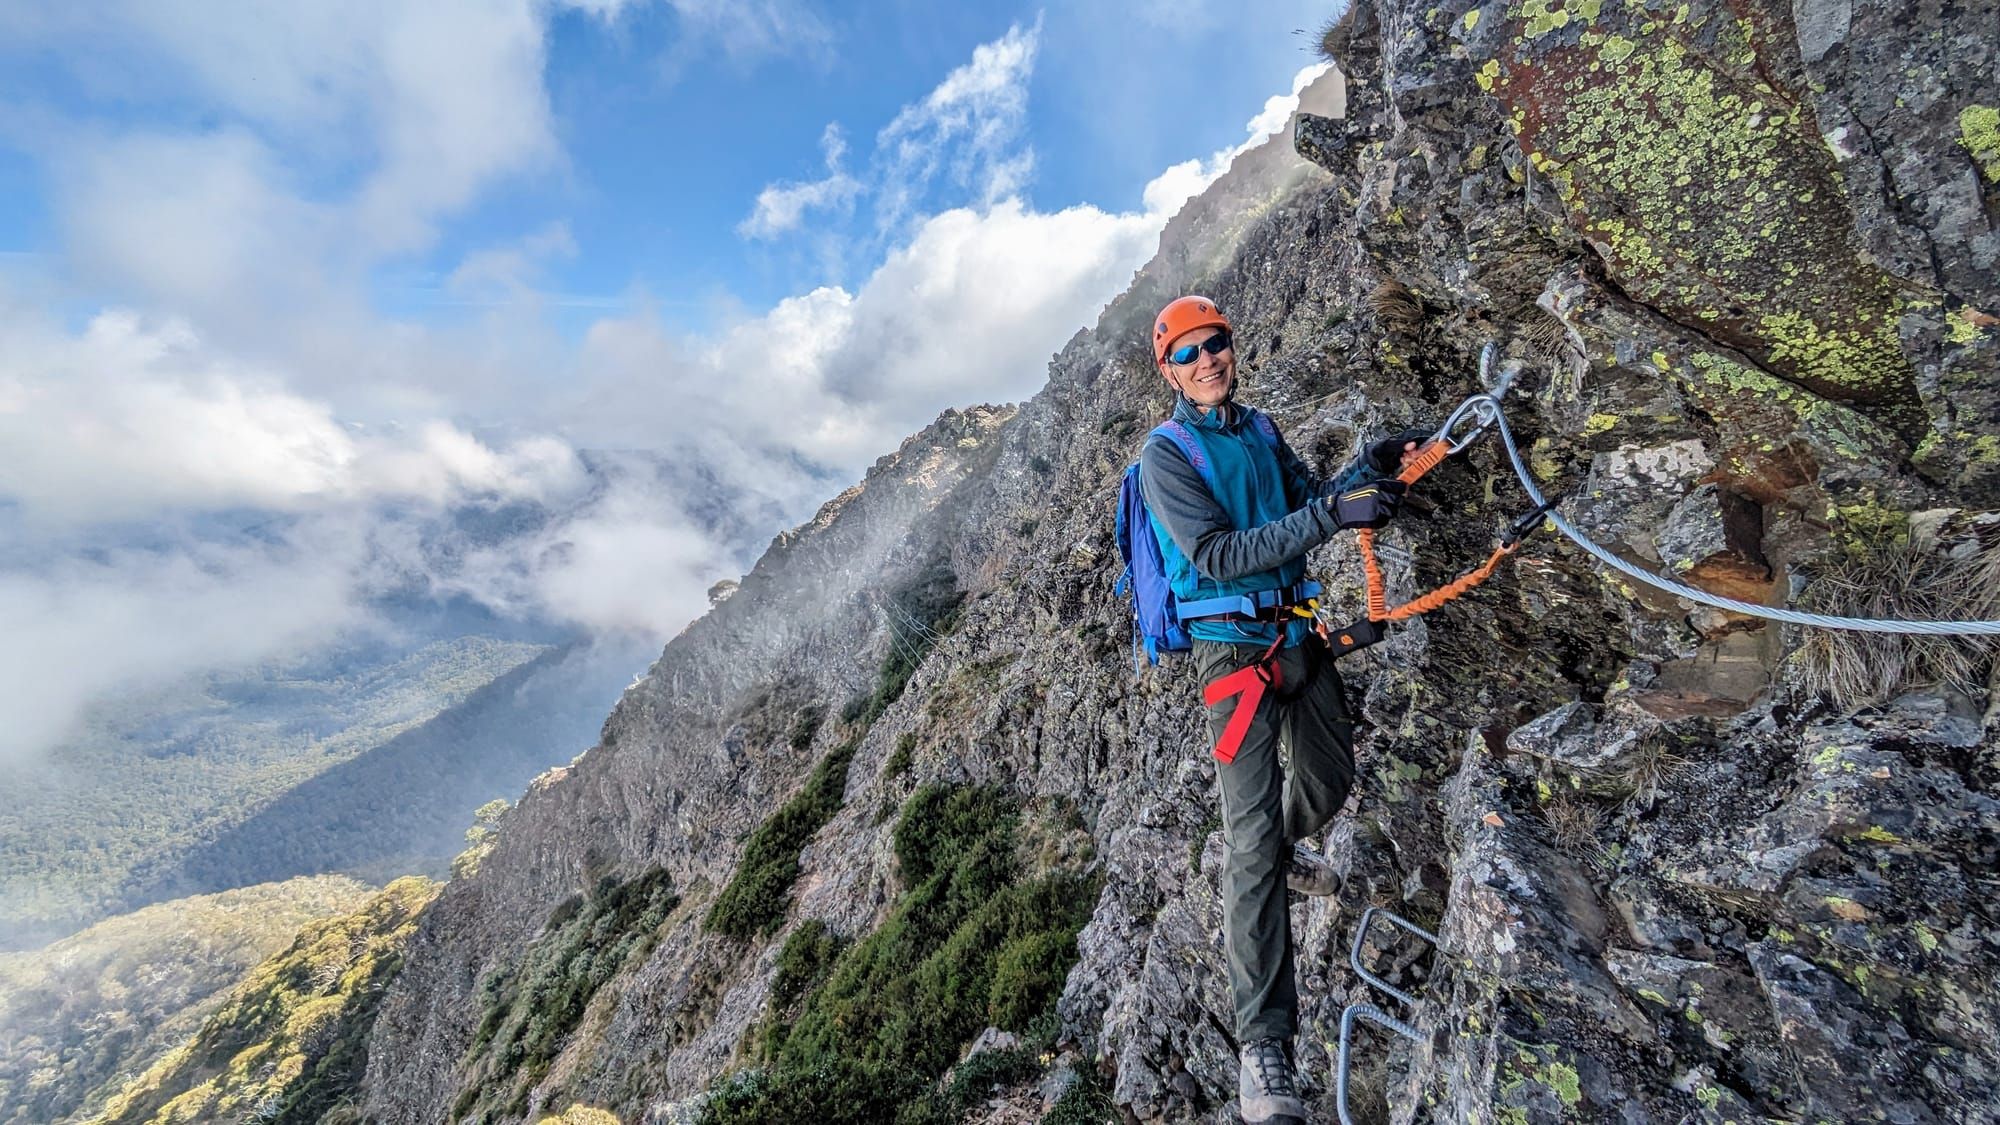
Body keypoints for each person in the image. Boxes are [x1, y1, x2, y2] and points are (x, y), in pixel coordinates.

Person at [1137, 295, 1416, 1124]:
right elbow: (1217, 556)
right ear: (1169, 373)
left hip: (1295, 634)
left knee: (1329, 785)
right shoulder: (1166, 455)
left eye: (1215, 343)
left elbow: (1305, 505)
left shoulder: (1258, 429)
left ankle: (1251, 867)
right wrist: (1331, 513)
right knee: (1255, 838)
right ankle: (1266, 1051)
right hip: (1232, 657)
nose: (1207, 361)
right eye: (1188, 354)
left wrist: (1365, 472)